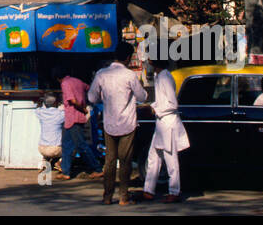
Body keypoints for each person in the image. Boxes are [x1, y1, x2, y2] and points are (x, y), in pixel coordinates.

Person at [88, 42, 147, 206]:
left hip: (109, 123)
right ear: (128, 58)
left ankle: (107, 196)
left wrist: (104, 98)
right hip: (127, 124)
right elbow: (142, 96)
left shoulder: (101, 74)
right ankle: (123, 196)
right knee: (125, 161)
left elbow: (92, 98)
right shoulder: (129, 75)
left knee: (110, 161)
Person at [142, 61, 190, 203]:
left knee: (171, 159)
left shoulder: (165, 77)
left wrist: (156, 109)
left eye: (149, 61)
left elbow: (173, 103)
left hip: (168, 122)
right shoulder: (160, 76)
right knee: (153, 157)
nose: (147, 64)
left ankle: (174, 191)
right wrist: (154, 106)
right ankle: (148, 190)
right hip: (161, 123)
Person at [59, 72, 100, 178]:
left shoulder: (65, 83)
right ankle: (65, 171)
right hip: (72, 119)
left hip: (73, 118)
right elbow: (89, 88)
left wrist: (83, 108)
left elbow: (72, 100)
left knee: (81, 145)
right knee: (66, 145)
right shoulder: (77, 80)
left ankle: (97, 168)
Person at [36, 93, 65, 174]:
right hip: (56, 149)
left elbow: (38, 107)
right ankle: (59, 162)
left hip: (41, 148)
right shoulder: (60, 114)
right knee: (72, 144)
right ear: (56, 103)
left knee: (48, 143)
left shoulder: (40, 112)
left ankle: (45, 162)